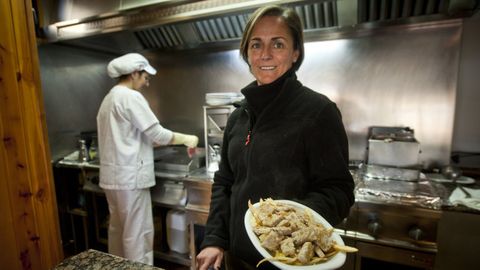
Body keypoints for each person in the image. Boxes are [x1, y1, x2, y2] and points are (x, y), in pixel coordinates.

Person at [196, 5, 355, 270]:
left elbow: (338, 190)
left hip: (288, 264)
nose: (265, 54)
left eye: (278, 44)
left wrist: (287, 223)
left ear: (295, 53)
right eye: (256, 45)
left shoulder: (318, 112)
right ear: (247, 53)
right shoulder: (239, 116)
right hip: (236, 259)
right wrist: (214, 239)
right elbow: (225, 182)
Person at [97, 53, 199, 265]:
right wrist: (186, 138)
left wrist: (161, 140)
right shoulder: (130, 97)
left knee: (117, 231)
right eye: (145, 77)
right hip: (130, 179)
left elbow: (131, 136)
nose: (145, 82)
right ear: (134, 73)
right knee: (138, 234)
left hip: (112, 178)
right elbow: (158, 134)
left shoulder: (109, 99)